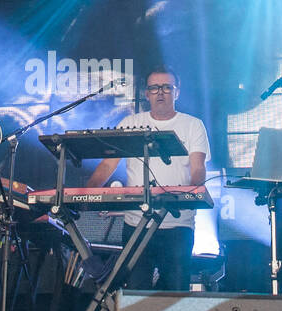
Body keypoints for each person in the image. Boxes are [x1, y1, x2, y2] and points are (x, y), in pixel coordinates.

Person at [87, 66, 210, 291]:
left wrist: (192, 193)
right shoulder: (129, 123)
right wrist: (85, 193)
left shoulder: (193, 125)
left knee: (175, 294)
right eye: (154, 88)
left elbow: (198, 167)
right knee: (135, 292)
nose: (160, 92)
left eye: (166, 87)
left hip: (177, 223)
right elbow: (107, 164)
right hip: (136, 223)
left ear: (177, 92)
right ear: (147, 94)